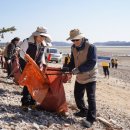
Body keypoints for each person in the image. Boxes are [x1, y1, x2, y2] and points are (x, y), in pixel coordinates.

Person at [66, 29, 98, 128]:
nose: (75, 42)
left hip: (91, 75)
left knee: (91, 97)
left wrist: (78, 69)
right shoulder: (73, 47)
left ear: (82, 38)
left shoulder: (91, 47)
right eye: (73, 40)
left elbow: (92, 62)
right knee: (77, 95)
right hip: (80, 76)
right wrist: (68, 69)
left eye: (76, 40)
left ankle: (91, 118)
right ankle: (83, 111)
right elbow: (72, 61)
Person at [19, 26, 52, 110]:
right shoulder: (27, 41)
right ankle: (25, 103)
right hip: (26, 65)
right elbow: (22, 54)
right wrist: (29, 61)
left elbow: (42, 56)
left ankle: (33, 102)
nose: (42, 38)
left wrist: (43, 64)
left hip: (37, 66)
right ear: (36, 35)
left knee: (36, 83)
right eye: (41, 36)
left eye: (44, 37)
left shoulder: (43, 44)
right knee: (28, 82)